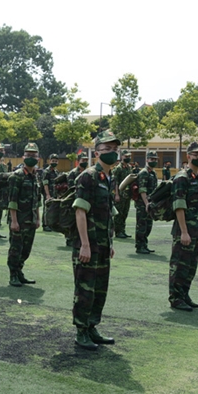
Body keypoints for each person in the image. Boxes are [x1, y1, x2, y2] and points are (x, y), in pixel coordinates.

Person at [71, 131, 121, 350]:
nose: (111, 152)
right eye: (107, 148)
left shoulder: (109, 177)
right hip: (88, 245)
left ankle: (92, 326)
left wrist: (109, 243)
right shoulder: (88, 176)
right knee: (85, 289)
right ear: (97, 151)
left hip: (102, 244)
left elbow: (108, 213)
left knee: (100, 288)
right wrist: (84, 244)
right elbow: (80, 211)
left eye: (114, 149)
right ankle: (81, 331)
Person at [168, 142, 198, 311]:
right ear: (188, 156)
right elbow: (179, 206)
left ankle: (184, 294)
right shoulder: (182, 178)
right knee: (180, 265)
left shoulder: (196, 177)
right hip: (184, 231)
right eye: (196, 155)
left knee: (191, 266)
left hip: (196, 230)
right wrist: (184, 231)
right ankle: (176, 298)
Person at [7, 142, 41, 287]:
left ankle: (19, 271)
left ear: (38, 158)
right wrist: (14, 221)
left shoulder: (35, 175)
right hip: (19, 220)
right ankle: (13, 274)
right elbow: (12, 200)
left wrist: (38, 218)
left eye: (33, 155)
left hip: (31, 219)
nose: (31, 157)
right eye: (28, 155)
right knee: (16, 248)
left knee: (26, 249)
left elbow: (37, 200)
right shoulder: (17, 176)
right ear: (23, 157)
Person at [134, 151, 159, 255]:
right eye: (151, 159)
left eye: (155, 159)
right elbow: (142, 190)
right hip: (142, 204)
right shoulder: (144, 172)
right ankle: (140, 246)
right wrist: (146, 204)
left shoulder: (152, 173)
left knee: (148, 225)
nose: (153, 161)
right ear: (147, 160)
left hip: (150, 203)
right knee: (142, 225)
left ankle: (144, 244)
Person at [64, 152, 89, 247]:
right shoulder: (73, 173)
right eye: (83, 160)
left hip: (85, 201)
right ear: (78, 161)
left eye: (86, 160)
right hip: (74, 200)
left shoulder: (88, 173)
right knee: (72, 220)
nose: (85, 162)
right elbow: (71, 189)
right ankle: (69, 239)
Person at [112, 150, 133, 239]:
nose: (128, 158)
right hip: (120, 194)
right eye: (126, 156)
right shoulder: (118, 168)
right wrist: (116, 194)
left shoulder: (129, 167)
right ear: (122, 157)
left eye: (129, 157)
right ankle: (117, 231)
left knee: (125, 213)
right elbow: (115, 182)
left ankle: (122, 230)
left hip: (127, 194)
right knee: (119, 214)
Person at [41, 153, 60, 231]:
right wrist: (47, 194)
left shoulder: (56, 172)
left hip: (55, 193)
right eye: (53, 161)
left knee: (53, 209)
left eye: (56, 161)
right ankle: (45, 225)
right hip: (48, 193)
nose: (54, 162)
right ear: (49, 161)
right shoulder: (47, 171)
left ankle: (52, 224)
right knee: (47, 209)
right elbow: (45, 184)